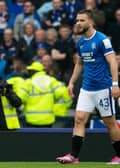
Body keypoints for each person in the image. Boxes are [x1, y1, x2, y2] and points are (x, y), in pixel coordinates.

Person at [56, 9, 120, 164]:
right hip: (86, 88)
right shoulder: (81, 42)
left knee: (109, 123)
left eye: (82, 20)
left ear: (91, 22)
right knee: (79, 119)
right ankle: (73, 156)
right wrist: (71, 82)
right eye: (77, 20)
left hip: (103, 88)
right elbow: (79, 62)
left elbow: (113, 61)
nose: (78, 23)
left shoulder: (102, 40)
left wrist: (115, 84)